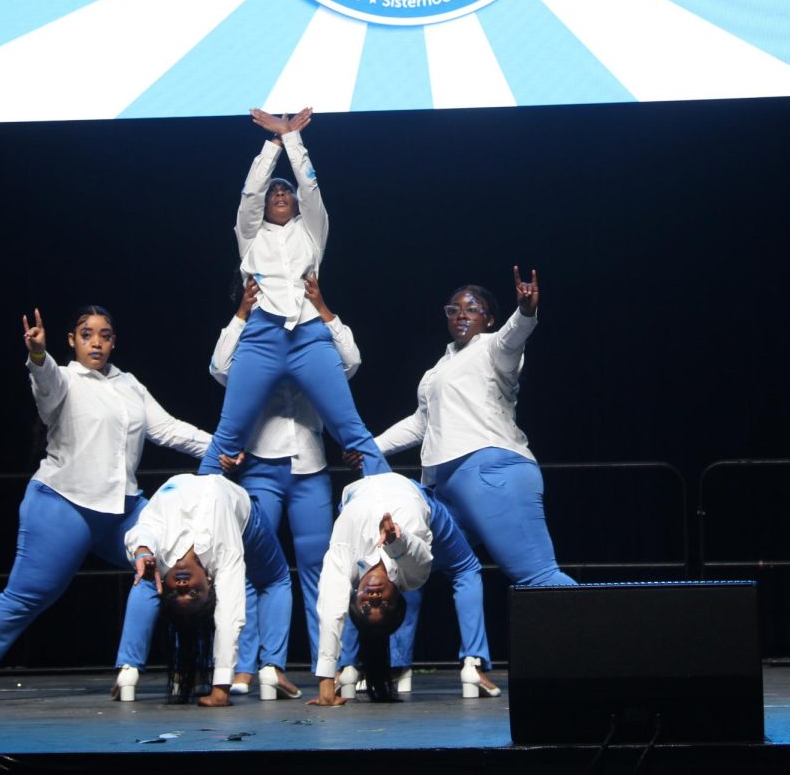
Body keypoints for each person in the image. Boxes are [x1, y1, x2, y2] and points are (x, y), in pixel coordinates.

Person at [0, 306, 212, 702]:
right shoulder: (62, 379)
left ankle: (128, 671)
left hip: (123, 510)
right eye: (86, 334)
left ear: (114, 341)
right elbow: (45, 384)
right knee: (30, 594)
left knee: (164, 567)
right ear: (72, 340)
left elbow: (166, 429)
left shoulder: (129, 385)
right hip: (63, 506)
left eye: (104, 335)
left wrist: (221, 447)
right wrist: (37, 356)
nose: (96, 342)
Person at [196, 107, 389, 481]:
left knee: (352, 430)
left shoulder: (312, 233)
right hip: (261, 338)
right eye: (275, 192)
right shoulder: (250, 237)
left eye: (286, 190)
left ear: (297, 203)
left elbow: (311, 187)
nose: (280, 193)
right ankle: (195, 522)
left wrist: (293, 139)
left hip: (310, 336)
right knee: (227, 436)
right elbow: (251, 192)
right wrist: (274, 142)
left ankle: (391, 507)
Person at [360, 268, 576, 589]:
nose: (461, 315)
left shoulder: (492, 347)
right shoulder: (439, 368)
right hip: (446, 489)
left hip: (490, 474)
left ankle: (611, 637)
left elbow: (513, 336)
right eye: (454, 309)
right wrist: (370, 446)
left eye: (472, 309)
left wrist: (526, 310)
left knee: (538, 577)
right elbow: (422, 423)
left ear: (488, 320)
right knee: (400, 568)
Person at [209, 275, 355, 695]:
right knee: (254, 569)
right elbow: (218, 369)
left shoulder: (314, 343)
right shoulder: (252, 346)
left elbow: (352, 362)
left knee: (321, 571)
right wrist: (242, 314)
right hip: (260, 466)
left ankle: (333, 665)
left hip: (310, 467)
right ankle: (256, 667)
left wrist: (322, 309)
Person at [309, 472, 499, 706]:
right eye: (384, 604)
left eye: (366, 606)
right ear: (399, 596)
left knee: (332, 596)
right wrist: (396, 540)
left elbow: (330, 607)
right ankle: (474, 663)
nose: (375, 597)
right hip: (416, 502)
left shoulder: (345, 551)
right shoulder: (414, 578)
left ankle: (347, 668)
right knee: (466, 567)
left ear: (356, 596)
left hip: (355, 494)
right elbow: (416, 554)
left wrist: (326, 681)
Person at [122, 473, 297, 705]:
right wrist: (221, 687)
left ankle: (136, 670)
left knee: (146, 576)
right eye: (193, 594)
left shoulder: (159, 560)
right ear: (209, 582)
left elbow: (142, 530)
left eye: (175, 593)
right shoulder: (223, 550)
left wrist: (142, 551)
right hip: (245, 519)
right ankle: (272, 669)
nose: (183, 586)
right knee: (276, 579)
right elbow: (229, 615)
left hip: (190, 485)